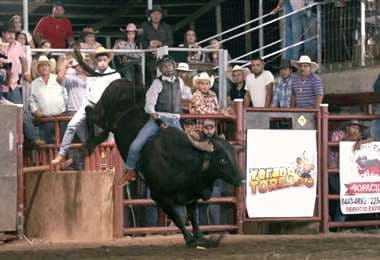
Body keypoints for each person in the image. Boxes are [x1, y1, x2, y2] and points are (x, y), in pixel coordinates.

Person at [117, 55, 192, 184]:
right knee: (136, 145)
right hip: (158, 118)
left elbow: (188, 95)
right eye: (164, 66)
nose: (167, 68)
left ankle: (187, 173)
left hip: (174, 119)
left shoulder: (179, 81)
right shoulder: (157, 82)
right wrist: (158, 121)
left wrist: (190, 85)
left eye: (169, 65)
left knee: (187, 145)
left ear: (174, 66)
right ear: (161, 69)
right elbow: (149, 106)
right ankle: (130, 170)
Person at [51, 47, 121, 165]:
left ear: (108, 60)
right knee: (72, 125)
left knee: (107, 137)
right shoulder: (93, 74)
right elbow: (63, 77)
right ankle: (62, 153)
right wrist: (69, 64)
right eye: (99, 60)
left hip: (104, 108)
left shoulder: (114, 75)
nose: (101, 62)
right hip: (89, 104)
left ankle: (107, 163)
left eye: (104, 60)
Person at [29, 55, 67, 143]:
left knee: (62, 141)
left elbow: (65, 94)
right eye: (41, 66)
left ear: (49, 67)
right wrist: (35, 111)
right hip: (44, 119)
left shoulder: (57, 78)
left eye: (46, 65)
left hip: (60, 116)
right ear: (38, 69)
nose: (44, 67)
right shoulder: (34, 83)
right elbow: (31, 100)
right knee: (47, 143)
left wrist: (65, 108)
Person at [197, 119, 224, 225]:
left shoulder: (200, 141)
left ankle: (211, 228)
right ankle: (207, 229)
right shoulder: (219, 141)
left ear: (215, 129)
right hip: (205, 177)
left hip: (214, 178)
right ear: (203, 129)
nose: (208, 131)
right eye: (206, 128)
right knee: (205, 205)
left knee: (213, 205)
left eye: (211, 128)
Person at [0, 22, 31, 104]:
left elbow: (24, 59)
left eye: (13, 33)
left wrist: (26, 72)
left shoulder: (17, 45)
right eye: (9, 33)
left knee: (18, 111)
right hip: (0, 84)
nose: (12, 36)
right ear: (3, 33)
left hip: (12, 85)